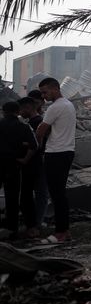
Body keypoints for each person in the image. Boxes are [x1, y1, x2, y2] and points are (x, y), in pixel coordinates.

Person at [36, 78, 76, 243]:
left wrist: (38, 146)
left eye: (45, 92)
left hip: (55, 153)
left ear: (54, 89)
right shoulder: (69, 105)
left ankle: (61, 232)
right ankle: (64, 230)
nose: (43, 96)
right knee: (60, 193)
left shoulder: (55, 107)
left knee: (56, 193)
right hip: (67, 151)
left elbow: (41, 129)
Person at [0, 101, 36, 239]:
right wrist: (25, 159)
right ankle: (12, 229)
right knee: (12, 198)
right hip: (13, 166)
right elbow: (34, 145)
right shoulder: (23, 127)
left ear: (3, 111)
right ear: (17, 112)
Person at [17, 96, 46, 237]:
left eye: (21, 109)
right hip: (36, 163)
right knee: (34, 195)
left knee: (31, 195)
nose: (20, 112)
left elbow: (36, 145)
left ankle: (34, 226)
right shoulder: (34, 121)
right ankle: (35, 224)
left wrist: (24, 155)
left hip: (34, 164)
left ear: (28, 108)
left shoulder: (37, 123)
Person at [25, 89, 49, 231]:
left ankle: (36, 221)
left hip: (38, 159)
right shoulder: (36, 120)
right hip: (36, 160)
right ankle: (35, 221)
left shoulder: (41, 119)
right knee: (39, 192)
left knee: (39, 192)